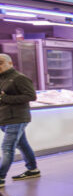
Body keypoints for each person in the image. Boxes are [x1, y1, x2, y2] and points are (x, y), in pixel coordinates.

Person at [0, 53, 40, 187]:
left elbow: (31, 96)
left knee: (7, 148)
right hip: (5, 118)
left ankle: (0, 177)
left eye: (1, 62)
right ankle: (33, 169)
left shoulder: (19, 78)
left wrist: (5, 98)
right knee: (22, 144)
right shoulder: (2, 79)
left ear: (10, 63)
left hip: (17, 118)